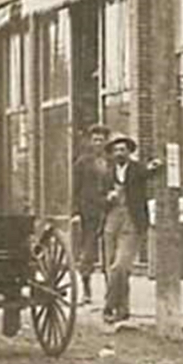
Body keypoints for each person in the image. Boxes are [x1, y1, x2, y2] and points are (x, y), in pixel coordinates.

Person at [101, 133, 162, 325]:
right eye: (116, 150)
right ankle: (123, 309)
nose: (119, 153)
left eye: (123, 149)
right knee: (111, 270)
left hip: (132, 222)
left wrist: (159, 163)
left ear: (129, 152)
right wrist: (108, 198)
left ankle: (109, 305)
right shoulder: (107, 173)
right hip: (111, 222)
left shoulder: (137, 169)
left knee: (120, 266)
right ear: (111, 153)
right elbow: (96, 199)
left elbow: (150, 171)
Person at [71, 124, 111, 305]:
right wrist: (76, 212)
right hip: (89, 212)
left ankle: (111, 293)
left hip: (109, 210)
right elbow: (75, 189)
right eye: (95, 139)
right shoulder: (82, 163)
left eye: (101, 140)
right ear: (90, 141)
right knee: (88, 252)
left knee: (110, 253)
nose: (98, 143)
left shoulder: (112, 162)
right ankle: (86, 290)